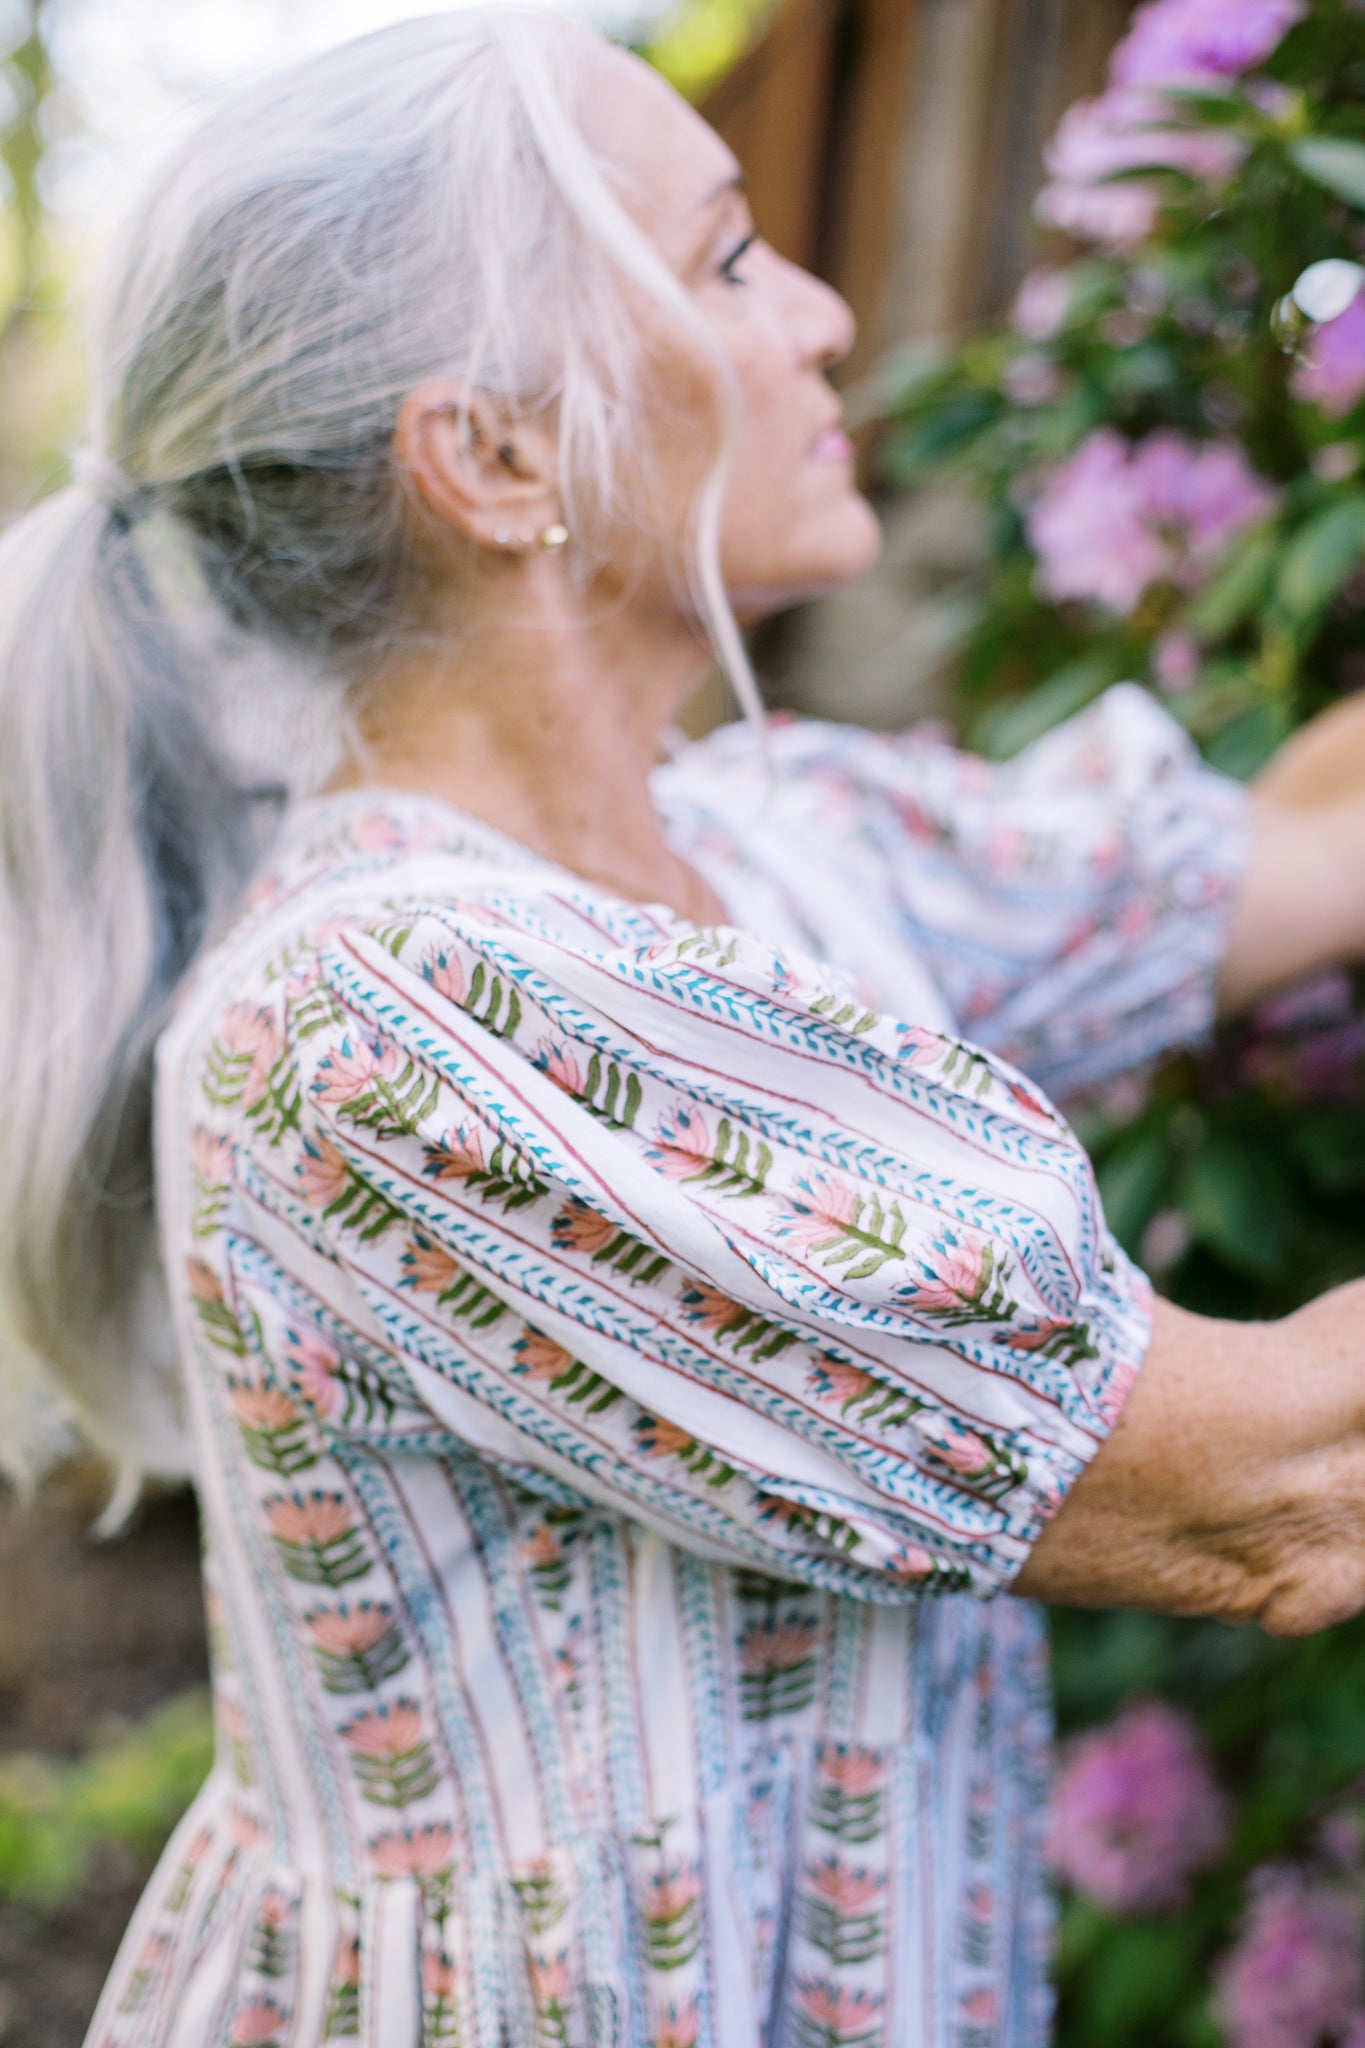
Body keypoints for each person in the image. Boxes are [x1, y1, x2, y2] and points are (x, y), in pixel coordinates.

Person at [4, 10, 1365, 2045]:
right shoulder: (395, 1025)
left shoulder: (776, 838)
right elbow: (1271, 1481)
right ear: (491, 454)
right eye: (726, 260)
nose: (819, 314)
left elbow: (1286, 854)